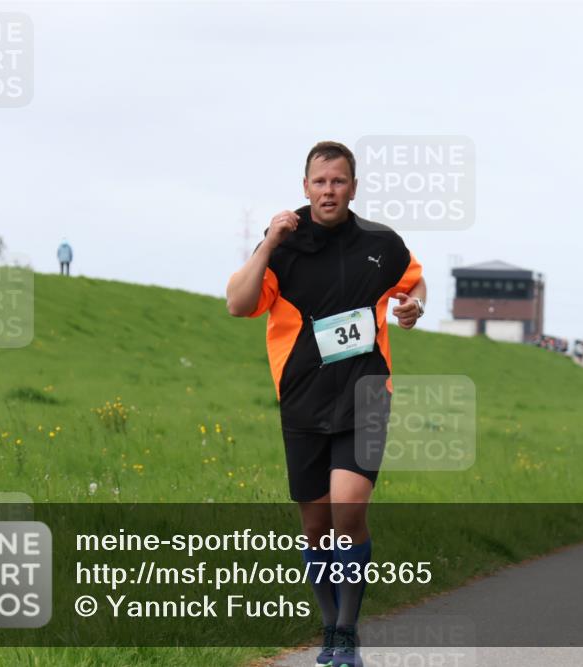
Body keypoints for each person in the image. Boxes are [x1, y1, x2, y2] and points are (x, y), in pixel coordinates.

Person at [226, 141, 425, 667]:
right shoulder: (285, 245)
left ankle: (346, 632)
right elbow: (238, 303)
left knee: (348, 510)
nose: (329, 190)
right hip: (303, 400)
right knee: (315, 527)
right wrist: (268, 243)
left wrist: (415, 305)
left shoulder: (381, 242)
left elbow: (413, 279)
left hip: (367, 393)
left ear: (353, 187)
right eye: (319, 181)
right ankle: (326, 623)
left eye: (338, 181)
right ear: (305, 186)